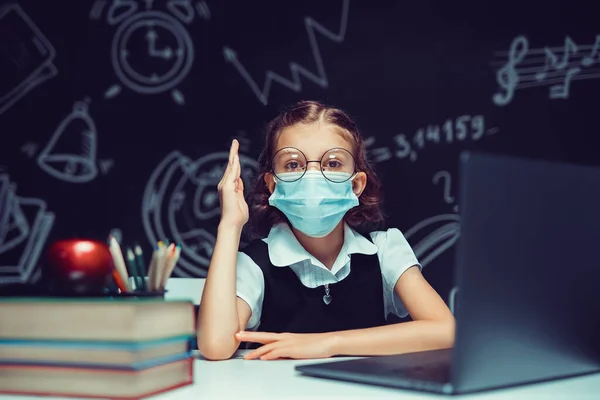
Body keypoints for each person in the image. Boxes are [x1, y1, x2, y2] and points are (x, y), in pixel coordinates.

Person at [197, 100, 455, 361]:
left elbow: (445, 330)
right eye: (293, 165)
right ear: (272, 185)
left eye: (332, 164)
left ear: (356, 184)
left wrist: (328, 343)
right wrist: (230, 225)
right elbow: (216, 346)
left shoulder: (385, 250)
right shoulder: (254, 264)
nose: (312, 177)